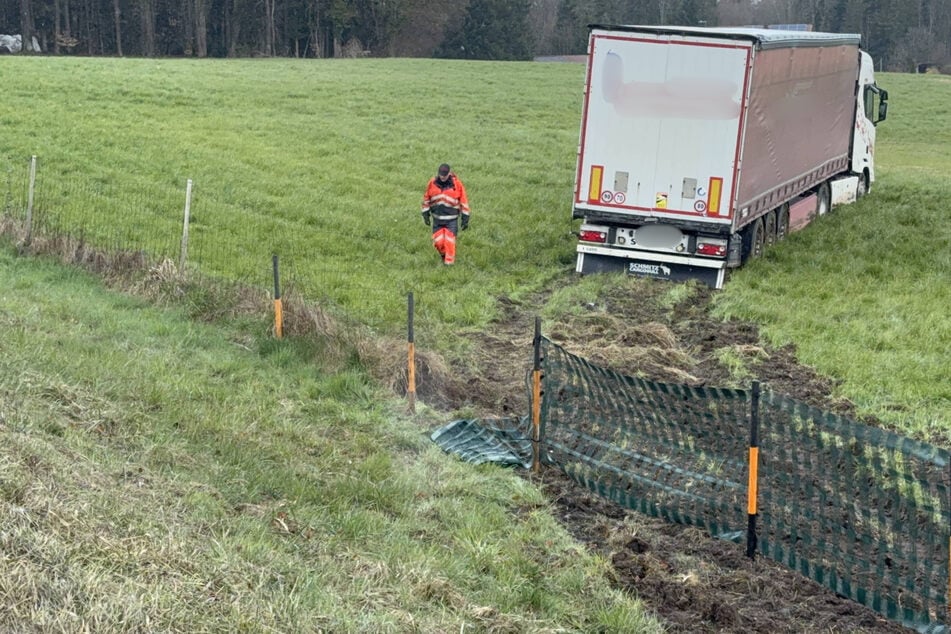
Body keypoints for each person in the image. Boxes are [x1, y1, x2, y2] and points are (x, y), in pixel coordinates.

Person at [421, 163, 470, 265]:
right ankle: (444, 255)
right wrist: (425, 213)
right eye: (441, 175)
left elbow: (463, 200)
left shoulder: (457, 184)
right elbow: (426, 198)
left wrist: (465, 217)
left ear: (449, 174)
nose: (442, 178)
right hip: (437, 219)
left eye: (444, 176)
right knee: (438, 242)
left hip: (451, 219)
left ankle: (449, 264)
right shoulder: (432, 183)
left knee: (449, 241)